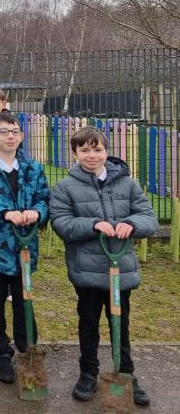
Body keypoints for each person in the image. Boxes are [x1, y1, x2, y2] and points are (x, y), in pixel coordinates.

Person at [50, 126, 157, 406]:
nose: (92, 155)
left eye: (97, 149)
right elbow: (61, 223)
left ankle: (125, 373)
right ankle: (88, 373)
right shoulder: (64, 188)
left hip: (120, 269)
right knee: (88, 323)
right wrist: (92, 224)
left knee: (120, 323)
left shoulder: (128, 184)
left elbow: (148, 218)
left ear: (106, 151)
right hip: (87, 271)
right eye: (84, 150)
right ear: (74, 153)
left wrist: (130, 224)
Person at [0, 111, 50, 383]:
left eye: (15, 131)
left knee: (24, 300)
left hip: (24, 249)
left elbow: (44, 199)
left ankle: (27, 347)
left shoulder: (33, 168)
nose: (10, 136)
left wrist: (37, 214)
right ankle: (1, 352)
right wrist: (4, 214)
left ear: (22, 136)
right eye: (4, 132)